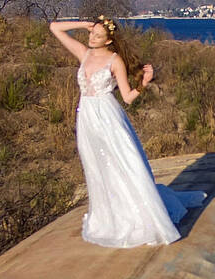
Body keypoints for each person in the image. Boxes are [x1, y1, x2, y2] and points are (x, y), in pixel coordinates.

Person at [48, 15, 203, 247]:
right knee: (97, 165)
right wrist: (84, 24)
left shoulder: (115, 61)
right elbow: (54, 27)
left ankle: (139, 215)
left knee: (122, 161)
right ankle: (109, 214)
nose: (92, 38)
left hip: (108, 116)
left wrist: (144, 83)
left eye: (98, 36)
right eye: (92, 34)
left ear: (109, 40)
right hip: (87, 117)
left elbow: (128, 97)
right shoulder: (84, 53)